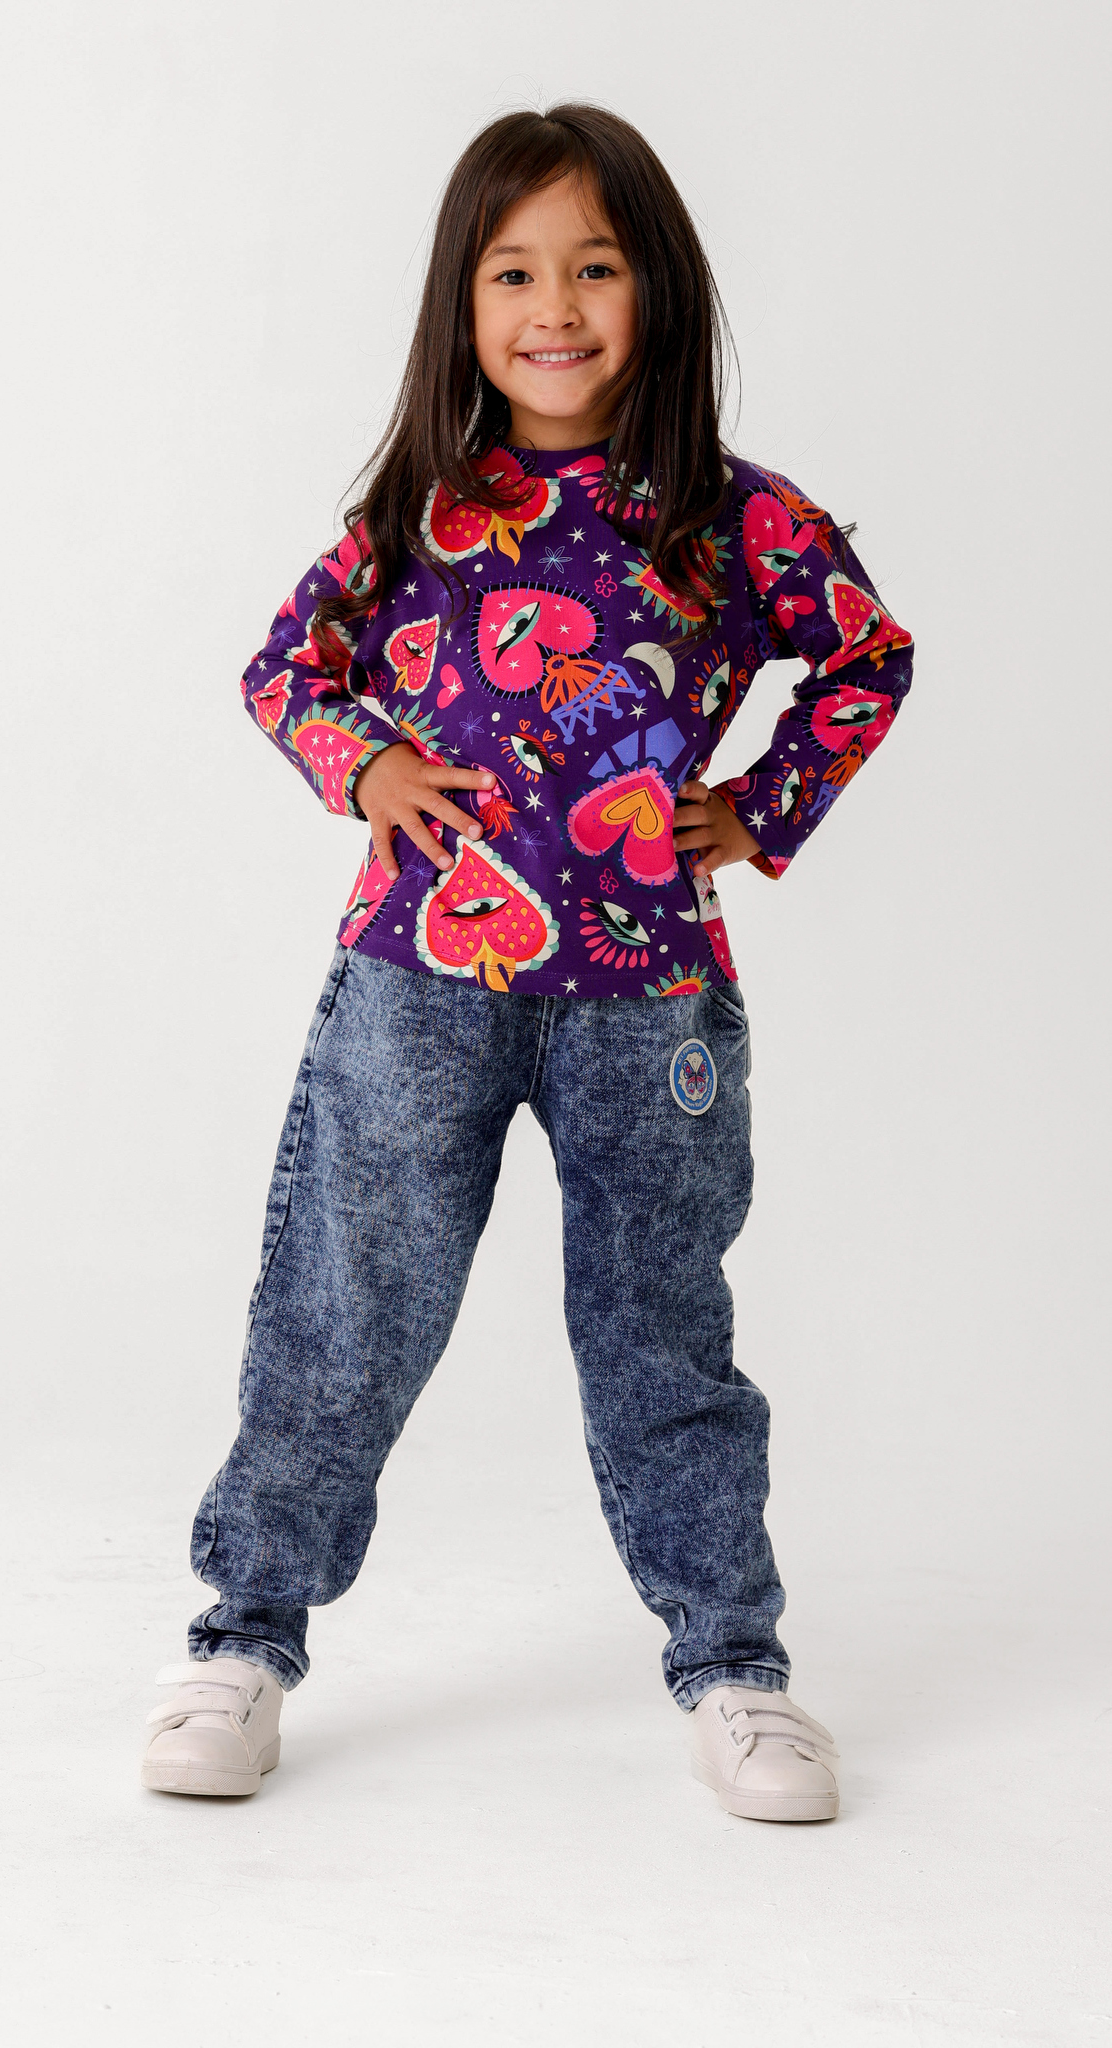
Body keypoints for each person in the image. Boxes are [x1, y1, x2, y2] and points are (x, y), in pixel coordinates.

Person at [142, 104, 911, 1822]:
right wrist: (364, 765)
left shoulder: (735, 517)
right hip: (415, 983)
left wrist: (759, 808)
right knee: (345, 1312)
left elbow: (869, 657)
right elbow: (285, 669)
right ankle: (244, 1637)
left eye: (595, 267)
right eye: (513, 273)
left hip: (650, 998)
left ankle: (735, 1664)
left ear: (658, 290)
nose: (554, 307)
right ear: (463, 301)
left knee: (664, 1337)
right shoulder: (419, 508)